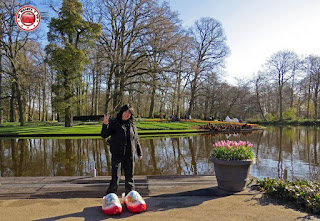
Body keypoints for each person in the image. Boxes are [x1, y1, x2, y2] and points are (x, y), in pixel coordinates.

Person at [101, 104, 143, 195]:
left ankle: (130, 194)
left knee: (130, 177)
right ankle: (111, 195)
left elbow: (136, 139)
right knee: (116, 177)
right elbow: (104, 135)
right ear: (122, 112)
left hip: (130, 154)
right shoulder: (115, 123)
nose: (127, 114)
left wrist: (139, 153)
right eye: (126, 112)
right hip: (117, 154)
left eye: (129, 113)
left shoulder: (132, 125)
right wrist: (105, 125)